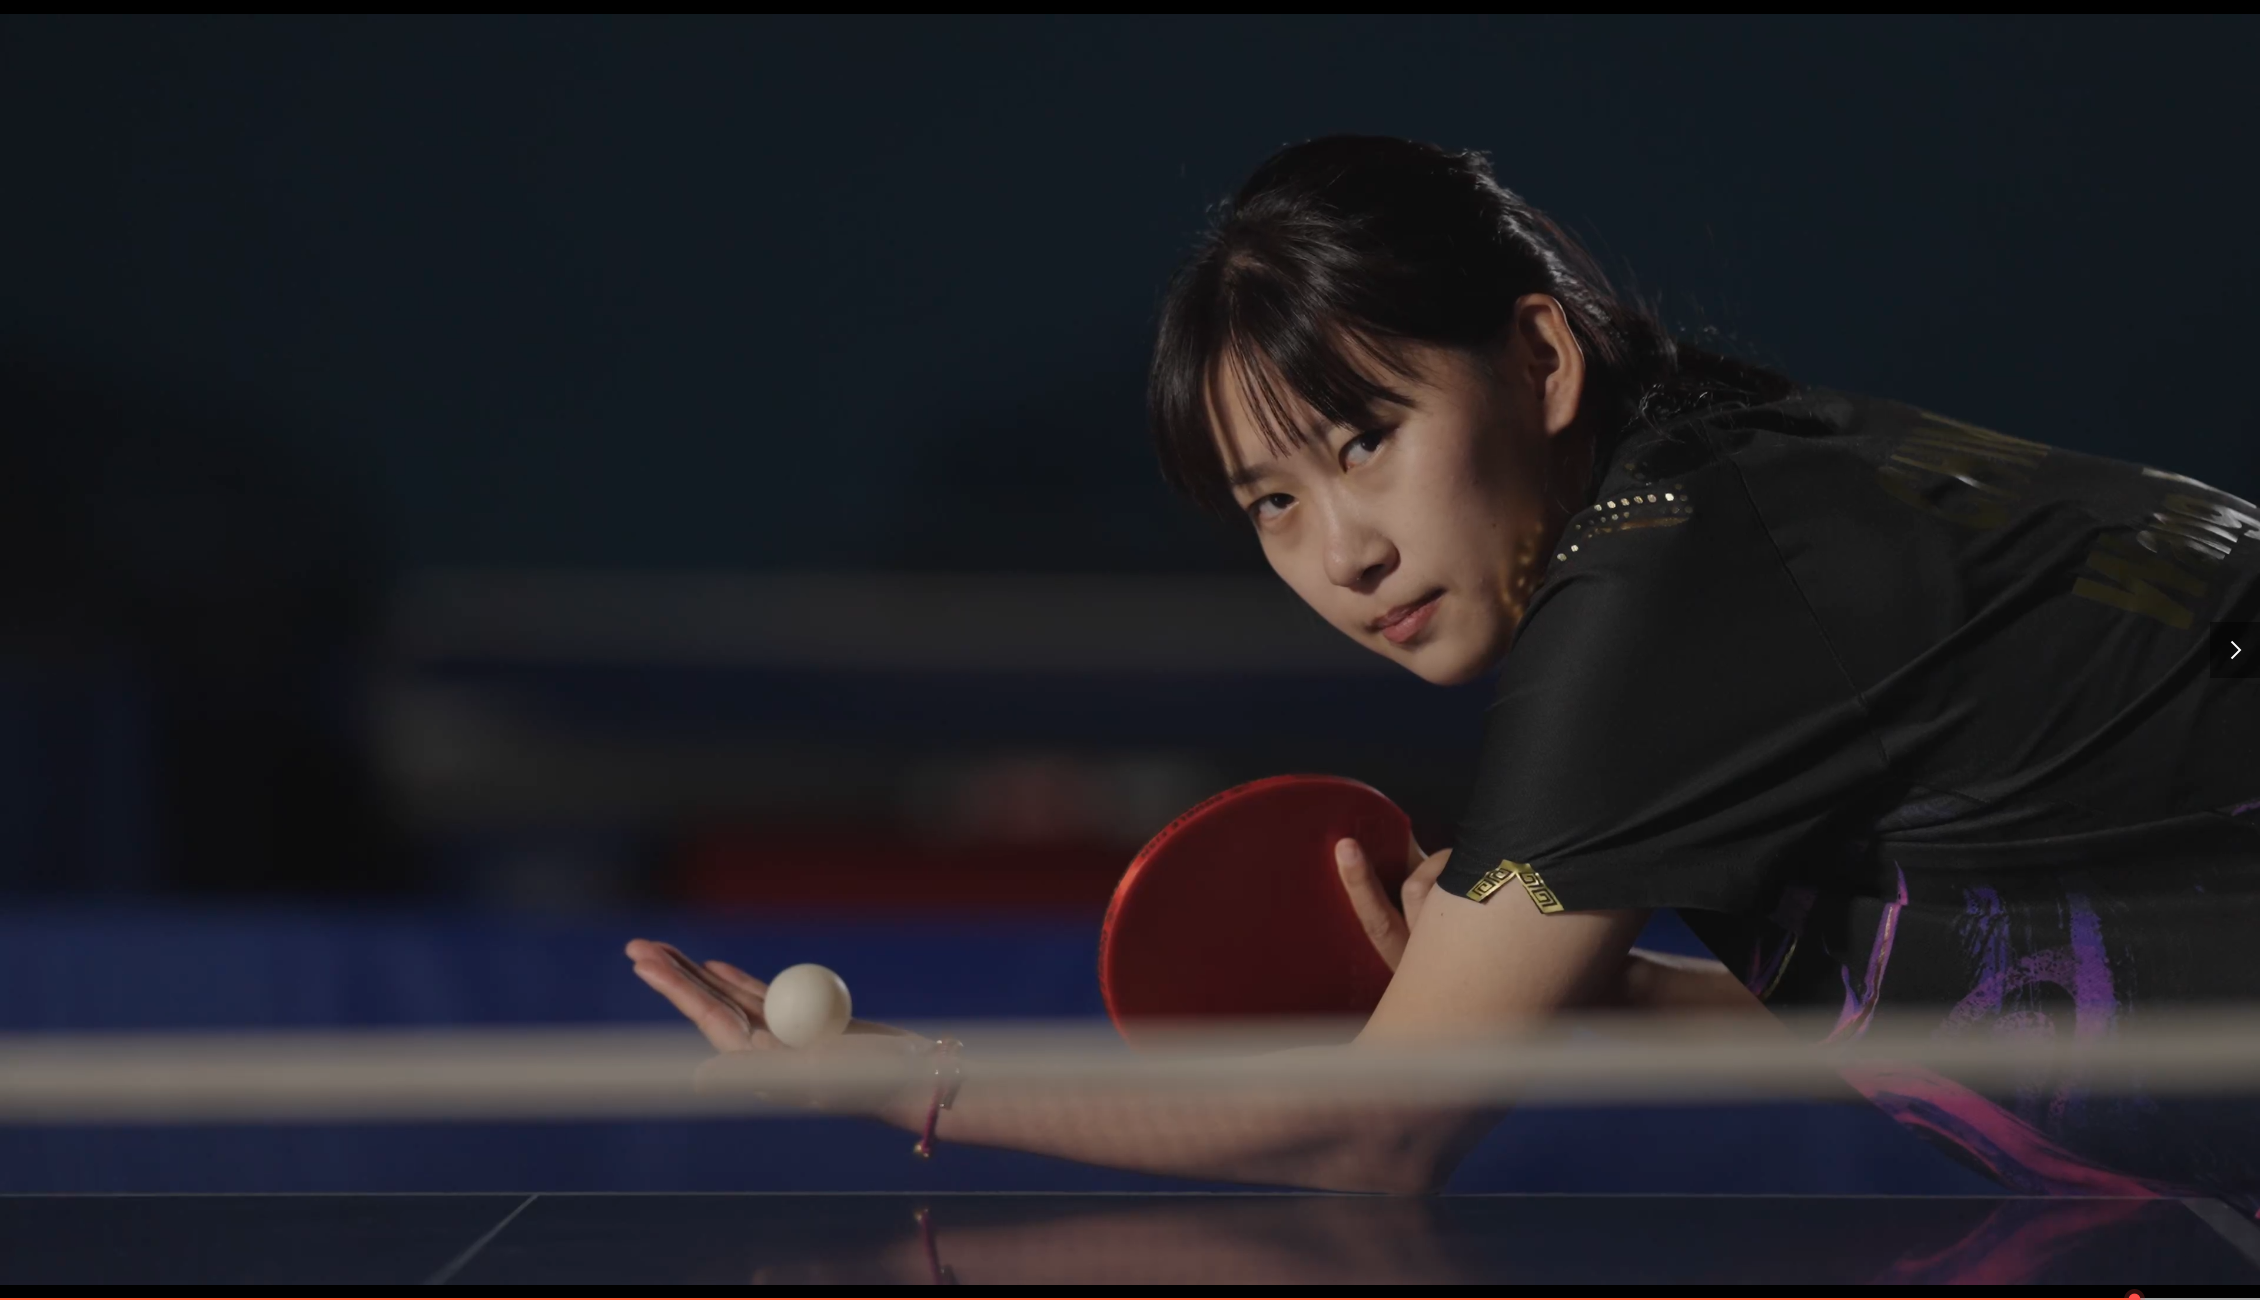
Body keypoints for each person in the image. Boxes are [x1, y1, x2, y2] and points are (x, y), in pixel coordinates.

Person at [628, 135, 2260, 1202]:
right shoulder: (1753, 482)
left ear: (1541, 360)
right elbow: (1969, 995)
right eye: (1273, 502)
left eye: (1366, 439)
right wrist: (1610, 991)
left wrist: (912, 1087)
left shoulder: (1656, 603)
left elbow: (1379, 1129)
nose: (1342, 550)